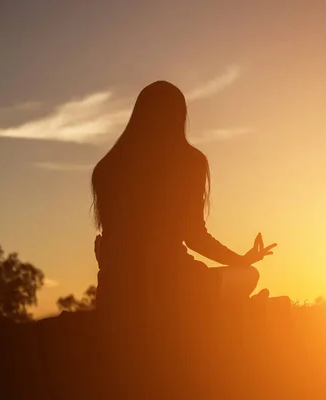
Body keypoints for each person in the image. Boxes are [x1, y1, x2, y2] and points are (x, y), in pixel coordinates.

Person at [90, 81, 276, 315]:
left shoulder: (106, 168)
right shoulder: (190, 161)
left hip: (116, 290)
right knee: (249, 275)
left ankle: (238, 307)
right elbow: (195, 236)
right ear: (180, 116)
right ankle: (243, 309)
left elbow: (111, 243)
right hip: (174, 287)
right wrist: (241, 260)